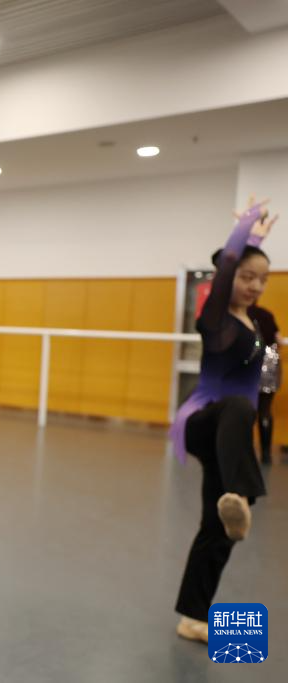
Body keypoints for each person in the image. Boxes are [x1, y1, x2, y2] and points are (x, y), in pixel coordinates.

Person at [170, 199, 278, 643]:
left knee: (218, 530)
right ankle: (242, 494)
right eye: (247, 276)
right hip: (203, 420)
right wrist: (247, 230)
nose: (256, 286)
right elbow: (229, 259)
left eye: (263, 279)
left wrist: (267, 404)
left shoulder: (258, 322)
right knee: (236, 408)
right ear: (227, 277)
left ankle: (193, 617)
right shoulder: (215, 317)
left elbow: (268, 368)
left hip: (231, 430)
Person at [248, 303, 281, 464]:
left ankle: (245, 451)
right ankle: (266, 454)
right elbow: (278, 339)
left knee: (246, 409)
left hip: (250, 363)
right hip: (270, 361)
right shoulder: (267, 314)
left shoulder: (240, 315)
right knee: (265, 410)